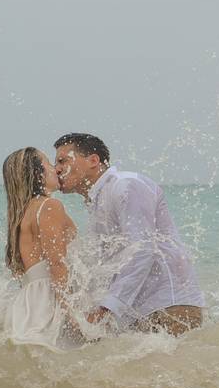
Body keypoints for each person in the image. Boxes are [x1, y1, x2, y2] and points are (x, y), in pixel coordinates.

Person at [54, 133, 205, 336]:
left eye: (63, 160)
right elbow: (113, 263)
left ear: (93, 160)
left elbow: (142, 249)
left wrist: (107, 308)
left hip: (169, 306)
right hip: (141, 313)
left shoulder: (126, 185)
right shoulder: (97, 201)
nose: (57, 169)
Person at [2, 147, 80, 351]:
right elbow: (57, 262)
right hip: (48, 299)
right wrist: (70, 312)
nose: (57, 169)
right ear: (38, 174)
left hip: (27, 303)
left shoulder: (23, 211)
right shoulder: (49, 206)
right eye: (49, 163)